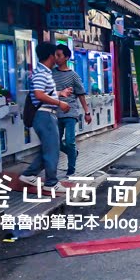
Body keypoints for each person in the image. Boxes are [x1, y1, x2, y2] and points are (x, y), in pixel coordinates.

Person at [19, 41, 72, 193]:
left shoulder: (43, 72)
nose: (58, 57)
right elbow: (38, 94)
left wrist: (60, 94)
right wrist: (60, 102)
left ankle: (29, 175)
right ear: (51, 56)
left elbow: (42, 92)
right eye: (56, 54)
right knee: (52, 149)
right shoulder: (42, 73)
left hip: (46, 114)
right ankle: (51, 182)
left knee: (49, 148)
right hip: (44, 115)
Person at [52, 44, 91, 179]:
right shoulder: (52, 73)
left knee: (69, 141)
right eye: (55, 55)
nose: (57, 58)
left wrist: (87, 112)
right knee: (55, 142)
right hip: (55, 113)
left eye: (59, 55)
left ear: (67, 57)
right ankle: (73, 152)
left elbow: (81, 94)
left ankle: (71, 169)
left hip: (70, 112)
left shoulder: (73, 75)